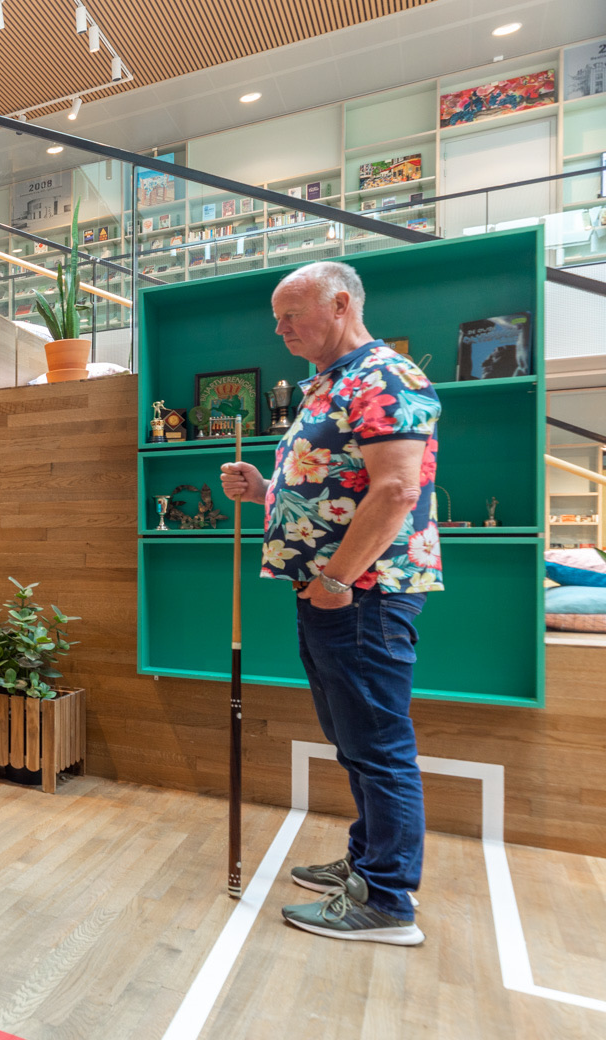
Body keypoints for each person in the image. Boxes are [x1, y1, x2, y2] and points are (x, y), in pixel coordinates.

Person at [219, 260, 441, 947]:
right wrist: (265, 491)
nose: (280, 329)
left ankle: (386, 900)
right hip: (334, 594)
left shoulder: (383, 375)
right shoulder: (332, 382)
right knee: (354, 740)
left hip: (361, 595)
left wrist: (337, 582)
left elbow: (396, 490)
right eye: (277, 318)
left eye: (291, 315)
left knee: (376, 745)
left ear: (340, 305)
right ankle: (369, 861)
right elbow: (337, 486)